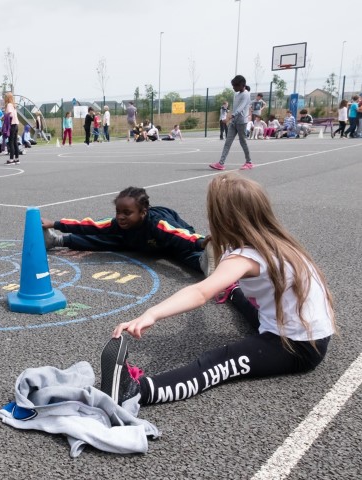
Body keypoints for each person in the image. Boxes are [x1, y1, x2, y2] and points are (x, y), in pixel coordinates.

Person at [102, 173, 334, 408]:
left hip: (296, 346)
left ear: (226, 221)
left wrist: (152, 313)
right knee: (246, 304)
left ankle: (135, 392)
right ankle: (232, 290)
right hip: (307, 331)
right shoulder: (276, 241)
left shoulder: (246, 257)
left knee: (218, 361)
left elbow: (200, 293)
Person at [41, 187, 211, 275]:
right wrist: (55, 224)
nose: (121, 217)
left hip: (171, 239)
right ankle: (57, 241)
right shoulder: (119, 223)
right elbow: (90, 225)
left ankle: (204, 260)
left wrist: (201, 242)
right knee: (104, 237)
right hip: (139, 241)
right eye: (118, 212)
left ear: (143, 213)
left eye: (127, 213)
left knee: (182, 249)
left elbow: (179, 234)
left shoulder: (158, 224)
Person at [210, 75, 253, 171]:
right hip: (234, 122)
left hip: (241, 122)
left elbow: (240, 108)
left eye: (234, 86)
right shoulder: (237, 95)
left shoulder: (246, 94)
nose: (233, 88)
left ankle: (249, 162)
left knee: (243, 142)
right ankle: (221, 163)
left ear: (241, 85)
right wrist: (230, 117)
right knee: (227, 142)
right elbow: (235, 108)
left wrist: (229, 117)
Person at [4, 92, 20, 164]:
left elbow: (10, 114)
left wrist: (4, 117)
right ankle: (17, 158)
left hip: (11, 125)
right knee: (15, 142)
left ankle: (11, 159)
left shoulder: (9, 105)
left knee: (11, 142)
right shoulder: (13, 105)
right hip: (16, 125)